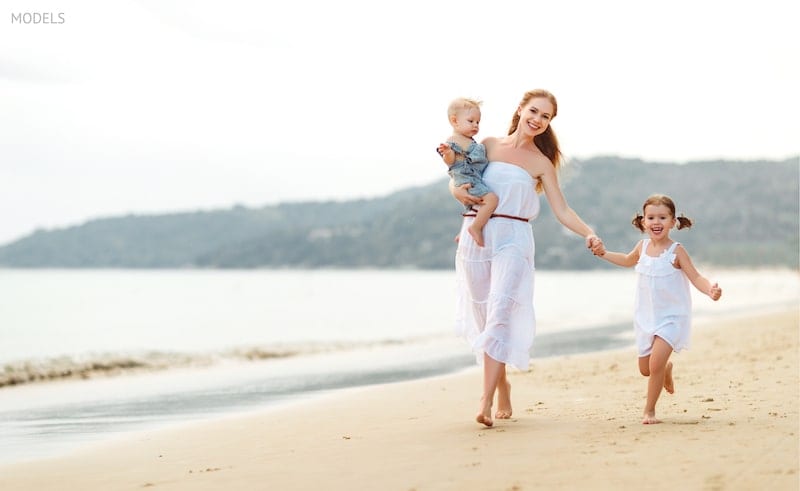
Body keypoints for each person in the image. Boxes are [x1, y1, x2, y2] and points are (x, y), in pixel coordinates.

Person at [449, 89, 605, 427]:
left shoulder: (541, 163)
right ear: (520, 110)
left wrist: (588, 232)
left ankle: (485, 400)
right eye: (534, 111)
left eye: (545, 116)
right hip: (476, 236)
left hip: (514, 239)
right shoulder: (487, 144)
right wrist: (455, 192)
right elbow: (460, 177)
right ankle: (501, 384)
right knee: (481, 314)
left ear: (549, 123)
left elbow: (562, 209)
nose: (537, 119)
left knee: (500, 313)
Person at [596, 194, 722, 424]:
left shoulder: (676, 251)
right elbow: (626, 260)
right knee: (646, 368)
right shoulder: (642, 247)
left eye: (662, 217)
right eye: (651, 217)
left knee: (654, 365)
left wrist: (710, 290)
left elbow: (696, 277)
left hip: (672, 318)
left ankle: (649, 410)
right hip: (646, 317)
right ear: (643, 221)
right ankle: (666, 368)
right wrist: (603, 253)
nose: (657, 222)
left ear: (673, 221)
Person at [437, 98, 498, 247]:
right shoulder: (453, 140)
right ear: (455, 121)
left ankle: (464, 232)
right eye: (471, 121)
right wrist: (447, 153)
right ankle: (475, 228)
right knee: (492, 200)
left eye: (478, 122)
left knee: (477, 207)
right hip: (467, 180)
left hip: (473, 178)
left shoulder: (470, 140)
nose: (476, 125)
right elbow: (451, 162)